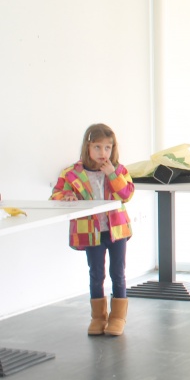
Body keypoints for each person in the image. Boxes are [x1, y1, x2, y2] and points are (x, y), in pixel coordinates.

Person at [51, 123, 135, 336]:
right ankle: (98, 318)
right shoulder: (72, 173)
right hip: (90, 232)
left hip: (117, 231)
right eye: (97, 147)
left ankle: (118, 318)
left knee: (118, 273)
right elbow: (56, 194)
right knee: (96, 274)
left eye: (107, 147)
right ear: (87, 147)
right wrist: (67, 196)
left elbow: (126, 194)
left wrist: (112, 175)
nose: (102, 152)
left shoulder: (119, 170)